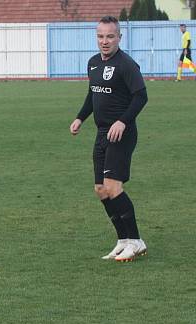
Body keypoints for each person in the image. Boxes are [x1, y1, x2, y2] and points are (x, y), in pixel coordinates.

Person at [69, 16, 148, 262]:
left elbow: (141, 97)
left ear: (119, 38)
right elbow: (92, 94)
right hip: (102, 134)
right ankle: (123, 240)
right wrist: (80, 117)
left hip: (121, 134)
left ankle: (136, 241)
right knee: (101, 190)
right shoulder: (93, 63)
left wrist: (122, 121)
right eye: (101, 36)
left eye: (110, 36)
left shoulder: (126, 64)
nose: (105, 41)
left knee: (114, 187)